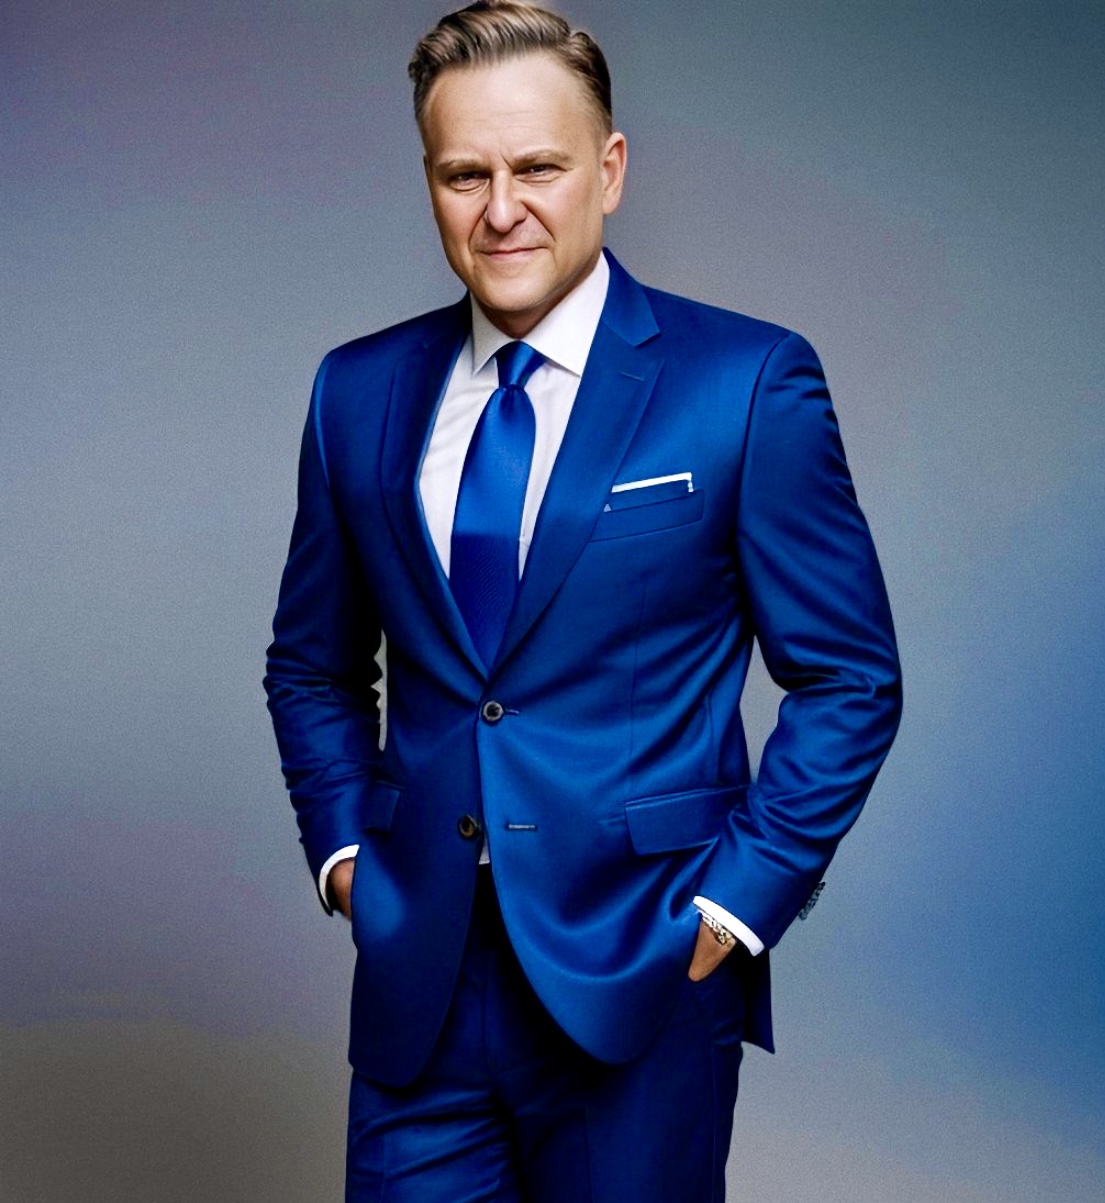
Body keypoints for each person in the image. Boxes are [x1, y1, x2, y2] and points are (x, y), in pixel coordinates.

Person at [264, 2, 902, 1199]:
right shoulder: (354, 391)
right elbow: (312, 664)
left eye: (537, 168)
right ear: (429, 182)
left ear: (608, 171)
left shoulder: (744, 382)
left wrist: (735, 906)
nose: (500, 209)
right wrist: (348, 856)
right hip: (418, 979)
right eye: (464, 174)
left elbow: (850, 677)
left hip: (643, 969)